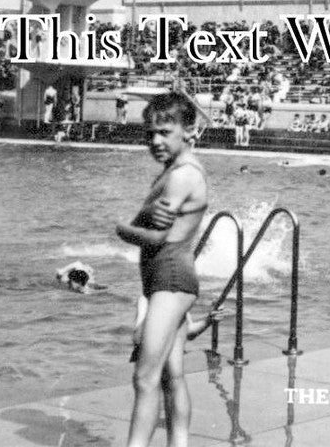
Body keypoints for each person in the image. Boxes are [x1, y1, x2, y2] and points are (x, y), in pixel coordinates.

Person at [115, 91, 209, 447]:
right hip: (167, 279)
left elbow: (153, 238)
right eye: (150, 133)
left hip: (170, 279)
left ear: (188, 131)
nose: (155, 141)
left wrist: (122, 228)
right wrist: (139, 219)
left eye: (164, 132)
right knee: (172, 374)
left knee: (144, 376)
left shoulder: (181, 176)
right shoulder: (177, 171)